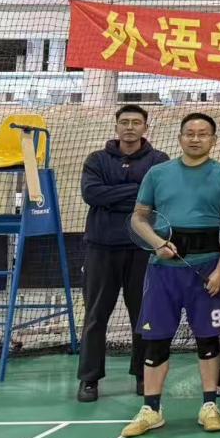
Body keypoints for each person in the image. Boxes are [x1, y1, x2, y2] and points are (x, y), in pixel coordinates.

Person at [120, 113, 220, 438]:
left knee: (208, 339)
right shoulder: (158, 174)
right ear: (180, 137)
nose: (195, 138)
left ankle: (210, 405)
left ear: (213, 140)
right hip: (163, 272)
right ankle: (151, 409)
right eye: (190, 133)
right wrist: (158, 243)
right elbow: (138, 218)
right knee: (155, 340)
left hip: (206, 270)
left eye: (203, 134)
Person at [76, 104, 169, 404]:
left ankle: (143, 374)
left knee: (143, 315)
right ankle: (89, 379)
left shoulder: (159, 161)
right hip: (101, 248)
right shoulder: (96, 159)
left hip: (143, 248)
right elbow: (92, 194)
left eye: (136, 122)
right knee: (95, 315)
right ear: (116, 126)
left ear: (145, 127)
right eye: (125, 122)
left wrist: (113, 195)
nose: (130, 127)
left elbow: (160, 197)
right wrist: (138, 192)